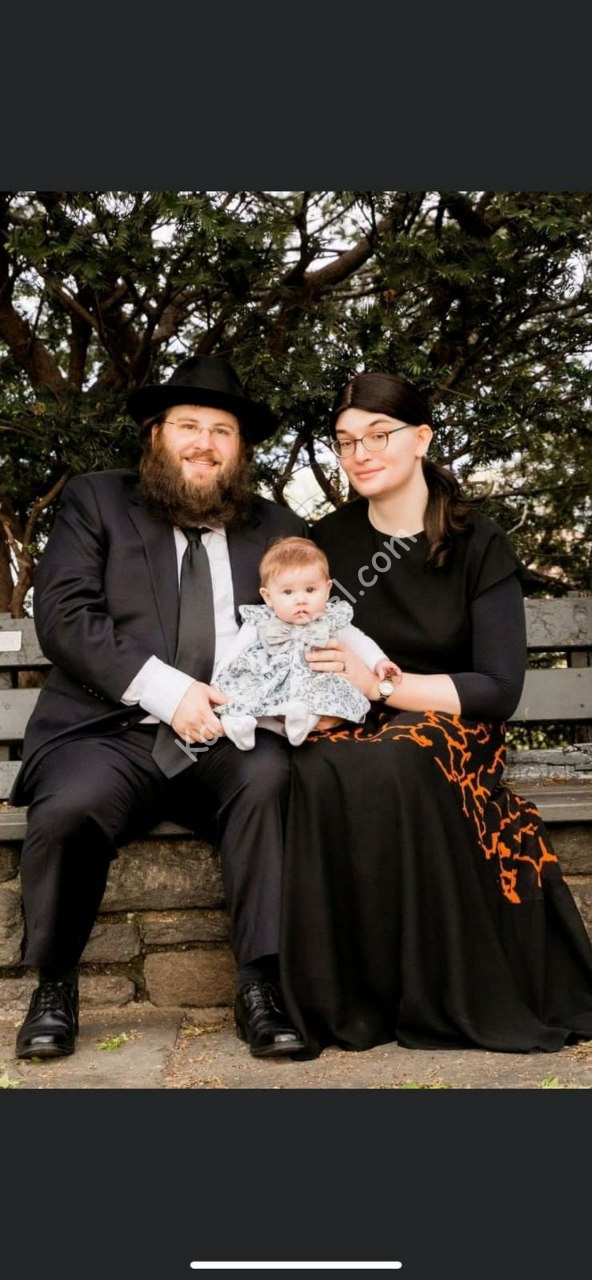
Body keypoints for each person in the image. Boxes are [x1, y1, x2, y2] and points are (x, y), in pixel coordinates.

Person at [279, 370, 592, 1058]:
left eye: (378, 435)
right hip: (354, 722)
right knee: (313, 768)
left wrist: (381, 686)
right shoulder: (326, 541)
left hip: (456, 727)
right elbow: (295, 638)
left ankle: (435, 991)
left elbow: (497, 688)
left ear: (421, 439)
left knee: (401, 756)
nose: (359, 453)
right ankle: (350, 1002)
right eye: (345, 441)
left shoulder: (478, 541)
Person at [12, 354, 309, 1062]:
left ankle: (261, 985)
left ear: (241, 450)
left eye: (222, 431)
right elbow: (65, 616)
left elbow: (309, 626)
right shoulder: (97, 502)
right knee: (70, 807)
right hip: (109, 731)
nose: (204, 444)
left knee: (271, 782)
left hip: (234, 736)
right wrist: (170, 692)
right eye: (188, 426)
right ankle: (54, 985)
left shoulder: (278, 526)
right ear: (156, 435)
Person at [212, 536, 402, 749]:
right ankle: (239, 724)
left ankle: (302, 723)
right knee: (239, 694)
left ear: (327, 590)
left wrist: (379, 661)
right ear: (268, 596)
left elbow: (359, 640)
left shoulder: (330, 619)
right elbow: (235, 651)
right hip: (267, 680)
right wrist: (218, 680)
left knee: (322, 697)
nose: (300, 599)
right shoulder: (260, 620)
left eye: (310, 590)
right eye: (288, 592)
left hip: (312, 682)